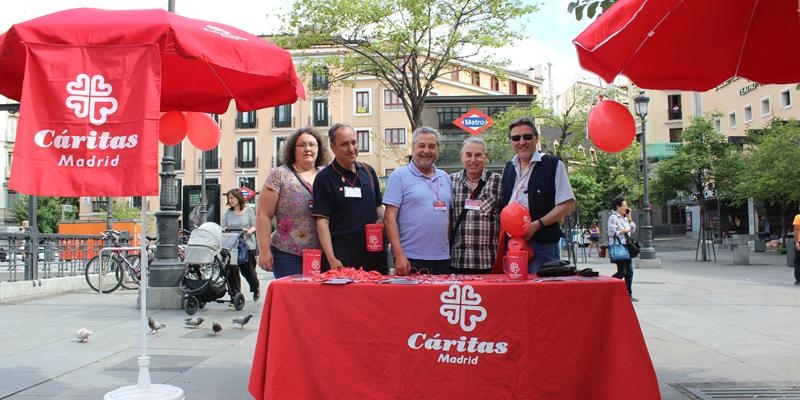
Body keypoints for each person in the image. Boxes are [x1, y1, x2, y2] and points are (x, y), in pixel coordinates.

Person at [500, 117, 576, 273]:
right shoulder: (508, 167)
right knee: (516, 287)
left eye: (527, 136)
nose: (522, 142)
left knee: (541, 287)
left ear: (536, 138)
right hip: (513, 244)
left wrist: (536, 225)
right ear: (510, 142)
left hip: (543, 246)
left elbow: (568, 205)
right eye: (516, 138)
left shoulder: (552, 164)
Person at [311, 123, 387, 274]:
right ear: (333, 147)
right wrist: (331, 258)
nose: (351, 148)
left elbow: (378, 205)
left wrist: (383, 220)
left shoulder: (368, 171)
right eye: (345, 144)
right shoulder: (324, 178)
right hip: (342, 254)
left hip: (374, 252)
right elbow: (322, 221)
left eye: (354, 142)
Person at [257, 127, 330, 279]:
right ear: (293, 149)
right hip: (288, 254)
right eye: (302, 145)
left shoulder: (326, 174)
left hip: (324, 254)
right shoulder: (279, 175)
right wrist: (264, 251)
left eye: (312, 144)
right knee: (294, 293)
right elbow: (264, 214)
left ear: (319, 148)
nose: (307, 148)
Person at [384, 126, 452, 275]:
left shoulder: (446, 178)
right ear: (413, 148)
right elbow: (389, 219)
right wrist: (399, 255)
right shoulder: (399, 176)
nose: (426, 151)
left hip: (443, 259)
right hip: (410, 259)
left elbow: (448, 218)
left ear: (438, 149)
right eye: (421, 145)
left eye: (431, 146)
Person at [449, 136, 502, 274]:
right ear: (461, 157)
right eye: (468, 155)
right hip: (457, 261)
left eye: (478, 155)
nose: (473, 160)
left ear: (486, 157)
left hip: (488, 262)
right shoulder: (449, 181)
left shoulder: (498, 181)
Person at [222, 189, 260, 301]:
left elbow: (254, 225)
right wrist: (224, 229)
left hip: (247, 245)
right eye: (228, 198)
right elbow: (224, 226)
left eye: (232, 198)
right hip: (232, 245)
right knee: (232, 270)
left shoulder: (249, 211)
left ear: (238, 198)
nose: (230, 200)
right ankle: (235, 295)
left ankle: (255, 287)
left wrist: (249, 231)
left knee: (248, 271)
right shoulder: (228, 213)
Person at [608, 196, 637, 301]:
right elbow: (611, 233)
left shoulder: (624, 217)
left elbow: (633, 228)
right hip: (618, 247)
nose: (626, 207)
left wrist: (629, 217)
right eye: (624, 205)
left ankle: (628, 294)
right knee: (622, 272)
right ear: (618, 206)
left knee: (630, 272)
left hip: (627, 246)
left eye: (626, 205)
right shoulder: (613, 217)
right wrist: (622, 231)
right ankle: (608, 285)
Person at [793, 206, 800, 286]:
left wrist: (797, 242)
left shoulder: (798, 217)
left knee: (798, 261)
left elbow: (796, 230)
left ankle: (798, 280)